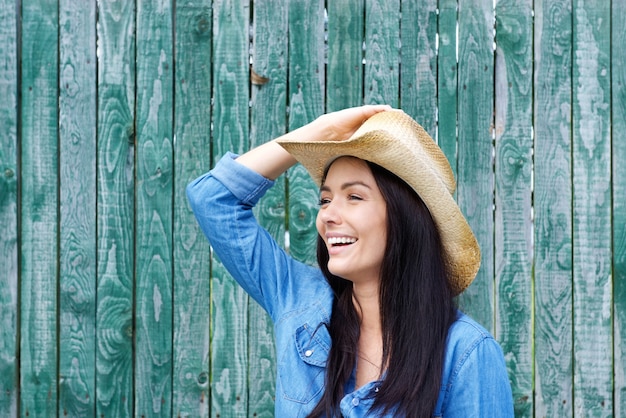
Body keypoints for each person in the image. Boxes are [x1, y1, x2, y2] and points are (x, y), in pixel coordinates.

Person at [187, 105, 514, 417]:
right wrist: (319, 132)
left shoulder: (467, 353)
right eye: (325, 199)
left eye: (354, 197)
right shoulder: (300, 301)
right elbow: (212, 199)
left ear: (405, 216)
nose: (328, 214)